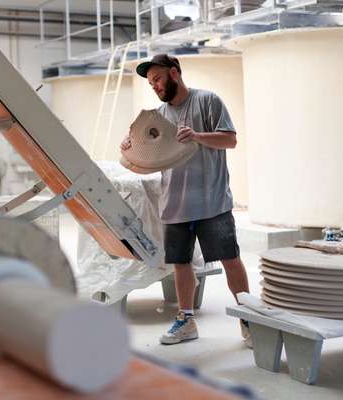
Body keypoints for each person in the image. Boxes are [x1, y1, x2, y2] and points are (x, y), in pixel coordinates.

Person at [121, 54, 251, 347]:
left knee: (230, 259)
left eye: (157, 78)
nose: (154, 85)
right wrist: (131, 148)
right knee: (181, 264)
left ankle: (249, 320)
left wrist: (196, 135)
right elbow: (142, 163)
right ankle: (186, 320)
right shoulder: (157, 117)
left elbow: (229, 140)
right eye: (150, 81)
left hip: (212, 201)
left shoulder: (207, 100)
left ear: (174, 73)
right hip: (174, 204)